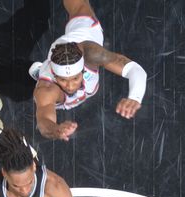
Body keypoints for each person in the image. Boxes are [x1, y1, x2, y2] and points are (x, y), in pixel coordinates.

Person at [29, 0, 147, 141]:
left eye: (75, 78)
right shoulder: (46, 89)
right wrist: (56, 130)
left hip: (83, 31)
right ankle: (43, 69)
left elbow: (135, 69)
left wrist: (135, 97)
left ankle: (41, 69)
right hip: (54, 88)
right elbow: (43, 122)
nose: (70, 86)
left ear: (82, 70)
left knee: (80, 6)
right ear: (54, 74)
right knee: (44, 97)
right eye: (63, 80)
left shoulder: (93, 54)